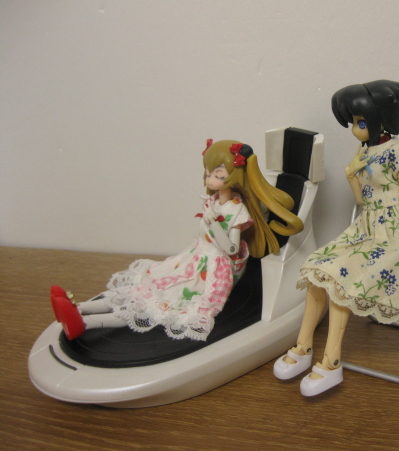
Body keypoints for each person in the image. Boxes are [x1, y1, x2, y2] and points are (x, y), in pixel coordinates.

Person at [51, 139, 302, 341]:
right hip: (196, 257)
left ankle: (84, 323)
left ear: (235, 176)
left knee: (160, 305)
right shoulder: (215, 200)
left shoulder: (236, 210)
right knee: (148, 286)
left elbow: (232, 248)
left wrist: (214, 224)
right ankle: (78, 307)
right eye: (208, 173)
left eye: (218, 175)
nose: (209, 179)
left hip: (215, 269)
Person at [273, 80, 399, 396]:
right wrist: (350, 173)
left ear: (381, 118)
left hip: (393, 233)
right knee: (318, 266)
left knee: (340, 280)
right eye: (354, 123)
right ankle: (303, 347)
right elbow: (362, 200)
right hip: (365, 228)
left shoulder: (397, 153)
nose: (356, 130)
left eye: (360, 122)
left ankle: (331, 362)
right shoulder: (364, 151)